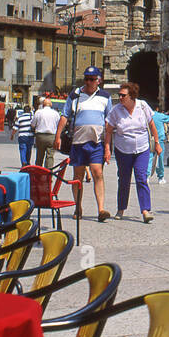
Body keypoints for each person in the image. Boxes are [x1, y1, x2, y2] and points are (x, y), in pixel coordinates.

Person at [55, 67, 113, 222]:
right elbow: (65, 115)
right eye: (87, 78)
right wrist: (57, 136)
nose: (89, 82)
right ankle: (78, 207)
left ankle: (101, 209)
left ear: (98, 80)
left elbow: (109, 121)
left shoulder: (105, 97)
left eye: (92, 79)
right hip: (78, 142)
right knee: (78, 176)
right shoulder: (75, 95)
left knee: (97, 173)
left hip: (97, 142)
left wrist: (108, 146)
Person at [104, 81, 161, 222]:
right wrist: (107, 149)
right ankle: (121, 209)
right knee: (124, 179)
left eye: (123, 95)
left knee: (141, 177)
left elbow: (152, 125)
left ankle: (145, 210)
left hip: (142, 148)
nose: (120, 98)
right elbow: (109, 131)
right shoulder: (116, 111)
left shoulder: (142, 106)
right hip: (123, 150)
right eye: (120, 95)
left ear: (132, 95)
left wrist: (158, 143)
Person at [32, 95, 62, 169]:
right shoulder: (56, 113)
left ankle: (38, 173)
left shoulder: (38, 112)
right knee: (50, 156)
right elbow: (59, 125)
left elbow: (33, 124)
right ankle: (48, 174)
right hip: (51, 136)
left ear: (43, 104)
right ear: (51, 105)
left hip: (40, 136)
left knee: (39, 155)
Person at [11, 98, 35, 166]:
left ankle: (23, 162)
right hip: (30, 136)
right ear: (30, 110)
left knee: (22, 149)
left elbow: (15, 128)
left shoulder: (20, 117)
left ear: (23, 111)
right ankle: (28, 162)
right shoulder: (33, 117)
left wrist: (12, 135)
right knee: (29, 150)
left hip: (22, 136)